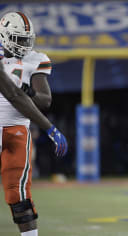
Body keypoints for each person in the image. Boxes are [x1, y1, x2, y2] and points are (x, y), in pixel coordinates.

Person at [0, 12, 68, 236]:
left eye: (26, 39)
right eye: (18, 39)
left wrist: (28, 91)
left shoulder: (35, 59)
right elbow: (13, 95)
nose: (24, 45)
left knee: (19, 196)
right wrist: (50, 128)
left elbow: (44, 100)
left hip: (19, 128)